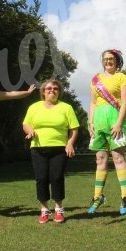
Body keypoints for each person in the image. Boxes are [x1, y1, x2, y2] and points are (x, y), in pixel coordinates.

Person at [87, 49, 126, 215]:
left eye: (111, 59)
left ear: (117, 61)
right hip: (99, 121)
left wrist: (118, 123)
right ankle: (97, 197)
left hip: (116, 120)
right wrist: (90, 122)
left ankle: (125, 196)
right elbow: (93, 103)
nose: (108, 61)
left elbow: (124, 102)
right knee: (100, 158)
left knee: (118, 157)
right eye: (105, 59)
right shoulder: (96, 80)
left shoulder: (122, 78)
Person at [22, 79, 79, 223]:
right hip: (38, 148)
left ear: (59, 92)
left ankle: (58, 209)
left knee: (57, 177)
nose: (52, 90)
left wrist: (70, 144)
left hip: (59, 148)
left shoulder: (66, 108)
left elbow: (74, 129)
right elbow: (26, 123)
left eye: (55, 88)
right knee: (41, 178)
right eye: (48, 88)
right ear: (43, 91)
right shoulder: (34, 107)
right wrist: (30, 131)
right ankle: (44, 210)